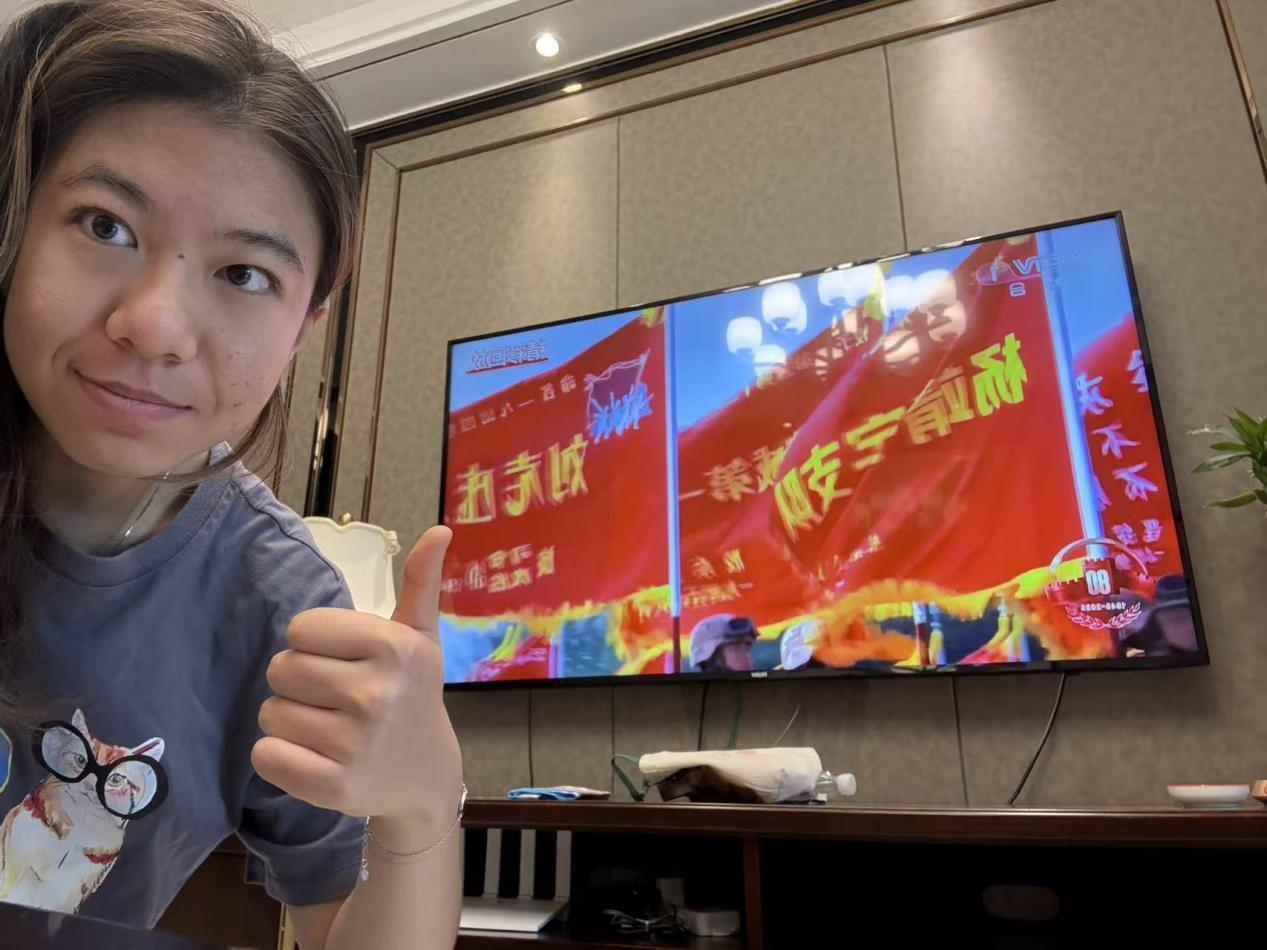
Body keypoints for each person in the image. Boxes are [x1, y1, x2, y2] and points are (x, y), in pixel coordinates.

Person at [0, 2, 462, 948]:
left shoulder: (276, 603)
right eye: (104, 224)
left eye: (245, 274)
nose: (155, 325)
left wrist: (420, 807)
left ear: (303, 328)